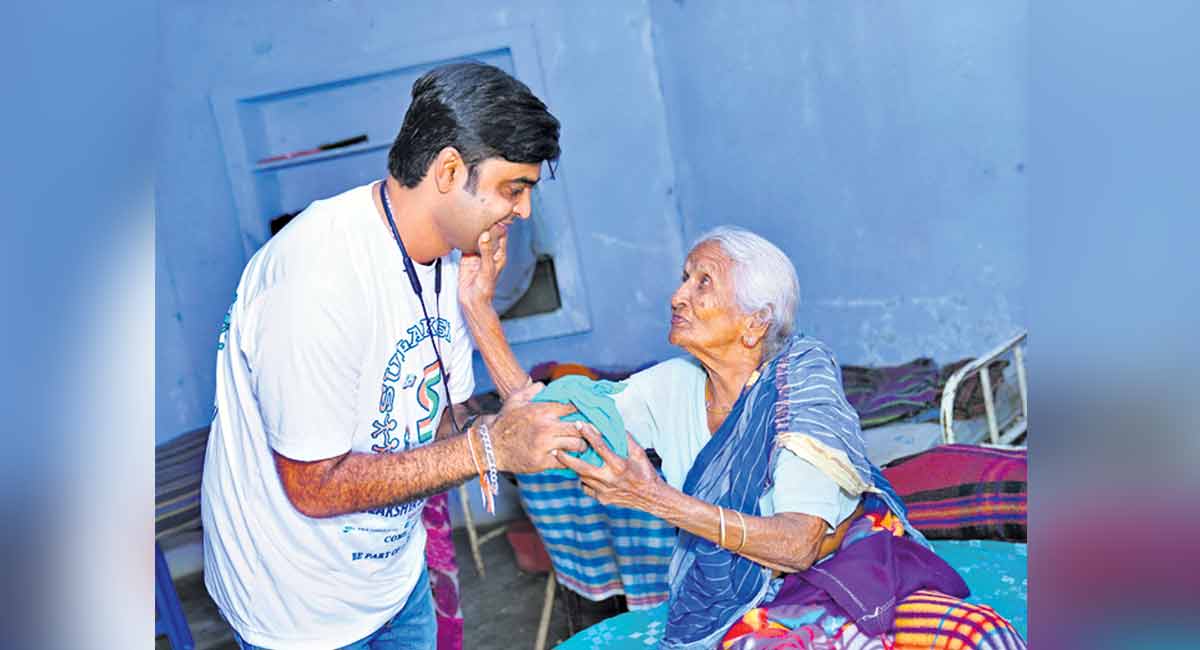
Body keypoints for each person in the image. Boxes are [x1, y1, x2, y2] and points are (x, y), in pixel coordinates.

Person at [479, 226, 1026, 649]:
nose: (677, 295)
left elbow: (798, 545)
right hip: (740, 596)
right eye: (683, 278)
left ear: (754, 323)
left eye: (702, 283)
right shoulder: (672, 385)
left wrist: (652, 497)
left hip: (845, 568)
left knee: (977, 635)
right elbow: (544, 423)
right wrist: (479, 312)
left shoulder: (800, 384)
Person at [200, 62, 587, 650]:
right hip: (298, 609)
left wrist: (481, 317)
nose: (524, 211)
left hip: (391, 582)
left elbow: (441, 422)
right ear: (449, 170)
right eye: (515, 188)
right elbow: (315, 486)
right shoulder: (317, 277)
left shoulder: (453, 262)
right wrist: (489, 446)